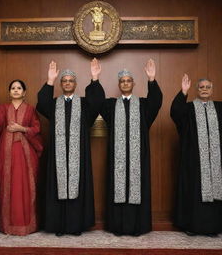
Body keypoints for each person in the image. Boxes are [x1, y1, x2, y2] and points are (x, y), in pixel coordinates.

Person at [36, 58, 105, 236]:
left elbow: (98, 102)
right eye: (64, 81)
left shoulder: (84, 105)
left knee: (77, 187)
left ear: (75, 84)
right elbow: (41, 104)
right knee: (58, 187)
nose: (67, 83)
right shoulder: (53, 104)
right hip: (58, 156)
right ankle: (59, 226)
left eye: (70, 80)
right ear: (61, 84)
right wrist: (50, 80)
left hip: (77, 155)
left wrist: (95, 78)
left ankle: (76, 226)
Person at [100, 59, 162, 236]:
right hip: (118, 157)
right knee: (118, 188)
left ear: (133, 84)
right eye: (122, 81)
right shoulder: (111, 105)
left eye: (128, 80)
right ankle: (117, 226)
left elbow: (156, 101)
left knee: (137, 188)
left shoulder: (143, 105)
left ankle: (137, 226)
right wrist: (95, 79)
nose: (125, 83)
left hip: (137, 158)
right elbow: (95, 102)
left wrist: (151, 79)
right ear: (119, 84)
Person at [0, 79, 43, 236]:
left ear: (24, 92)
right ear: (9, 92)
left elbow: (36, 129)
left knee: (25, 186)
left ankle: (28, 225)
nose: (16, 90)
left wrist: (21, 128)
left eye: (19, 88)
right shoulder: (4, 108)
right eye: (13, 88)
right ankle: (8, 225)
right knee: (7, 184)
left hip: (26, 156)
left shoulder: (31, 110)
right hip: (6, 154)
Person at [170, 74, 222, 236]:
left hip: (216, 161)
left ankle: (213, 227)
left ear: (212, 89)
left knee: (215, 193)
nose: (205, 90)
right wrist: (183, 92)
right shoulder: (189, 108)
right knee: (195, 192)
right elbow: (175, 112)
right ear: (197, 90)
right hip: (195, 161)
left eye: (208, 87)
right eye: (201, 87)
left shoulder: (220, 108)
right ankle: (192, 226)